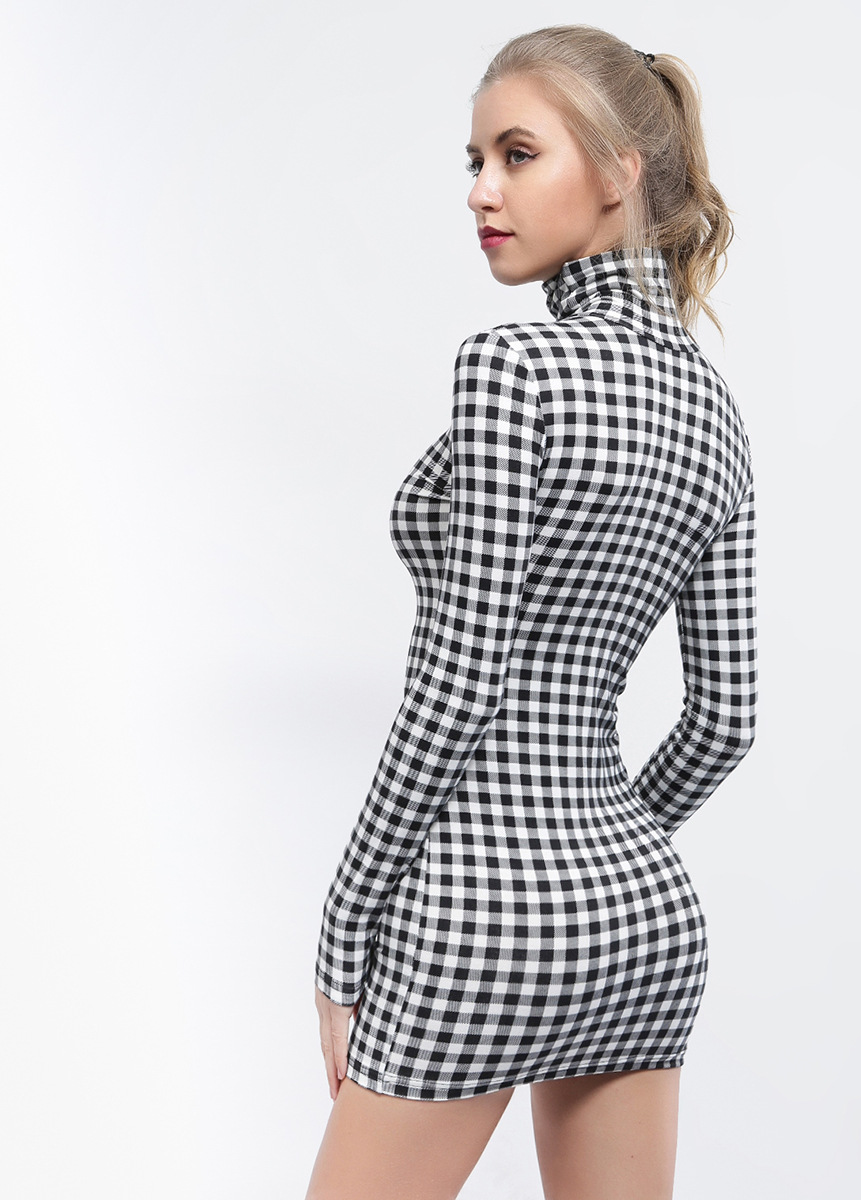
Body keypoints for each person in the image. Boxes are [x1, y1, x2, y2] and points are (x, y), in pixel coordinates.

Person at [305, 24, 757, 1200]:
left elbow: (461, 681)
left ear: (619, 171)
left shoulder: (514, 367)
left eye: (517, 154)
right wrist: (600, 846)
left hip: (472, 908)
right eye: (475, 162)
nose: (481, 192)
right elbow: (726, 722)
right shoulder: (716, 412)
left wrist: (345, 930)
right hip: (641, 917)